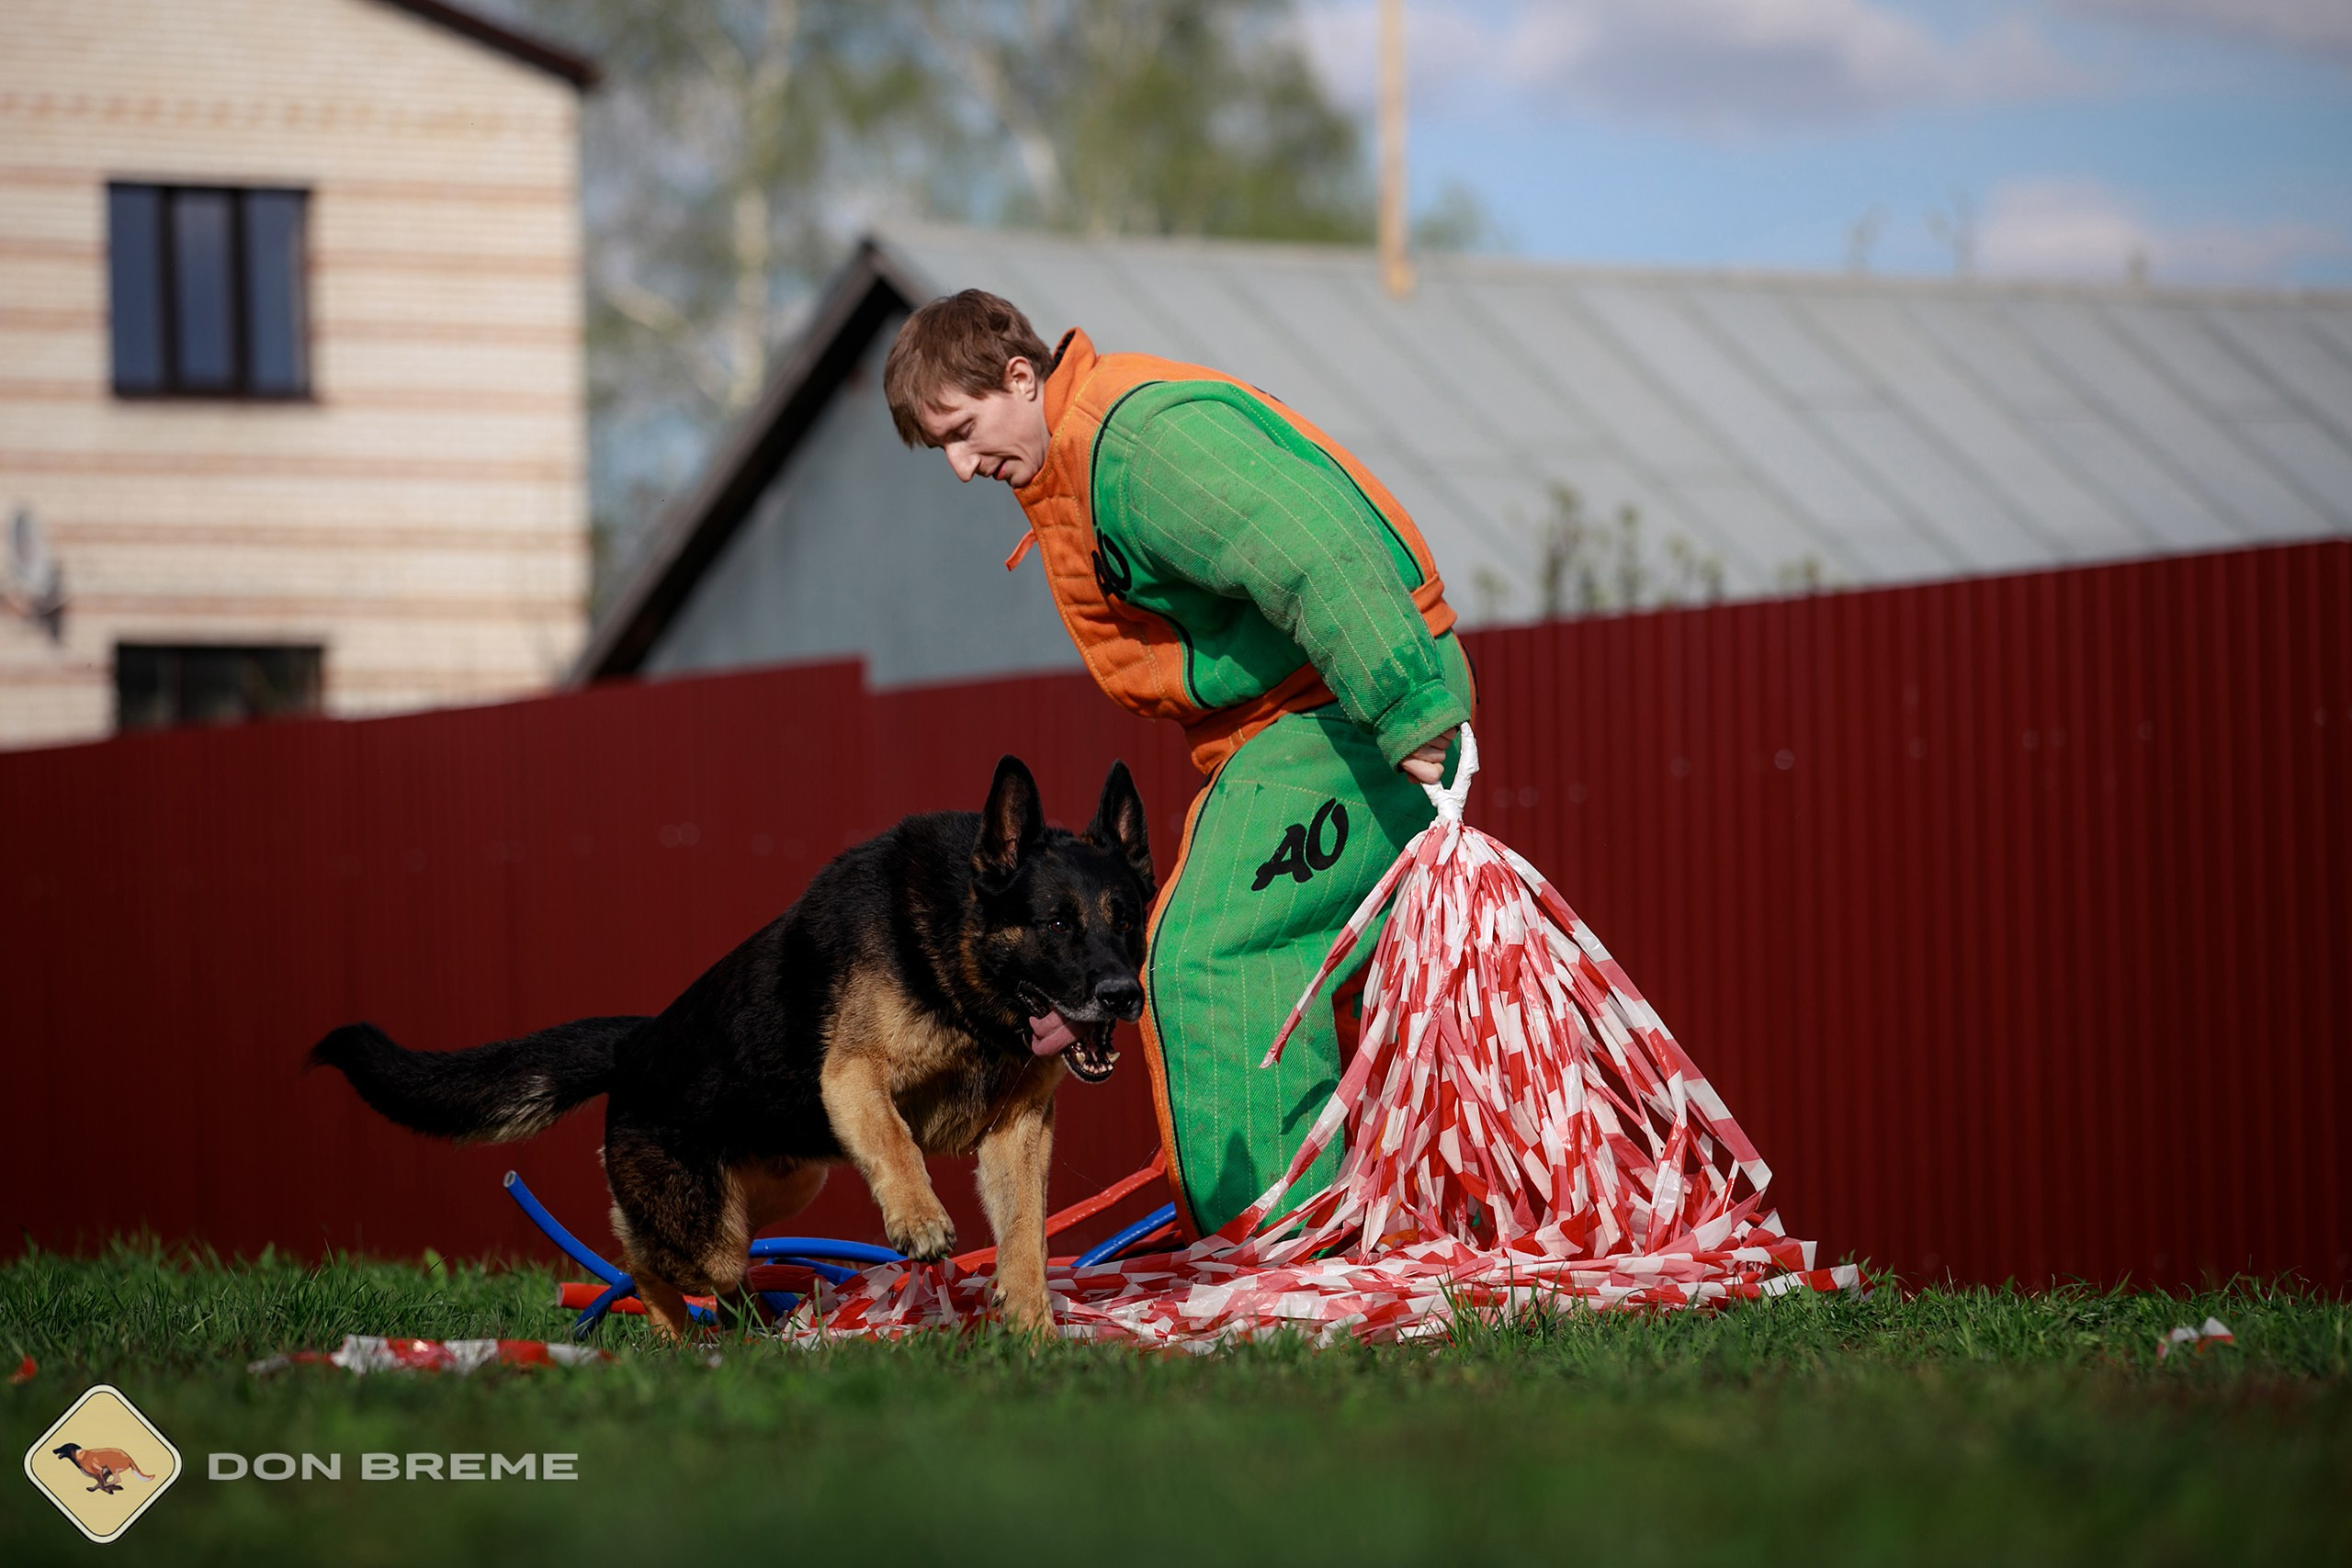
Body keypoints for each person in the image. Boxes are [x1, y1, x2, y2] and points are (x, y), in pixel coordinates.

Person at [884, 289, 1471, 1237]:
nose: (959, 468)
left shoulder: (1142, 448)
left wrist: (1404, 708)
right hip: (1295, 720)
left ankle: (1281, 1260)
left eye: (960, 430)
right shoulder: (1072, 468)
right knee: (1210, 945)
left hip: (1354, 703)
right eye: (938, 448)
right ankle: (1349, 1229)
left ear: (1020, 378)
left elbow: (1312, 544)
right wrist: (1084, 1002)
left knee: (1214, 955)